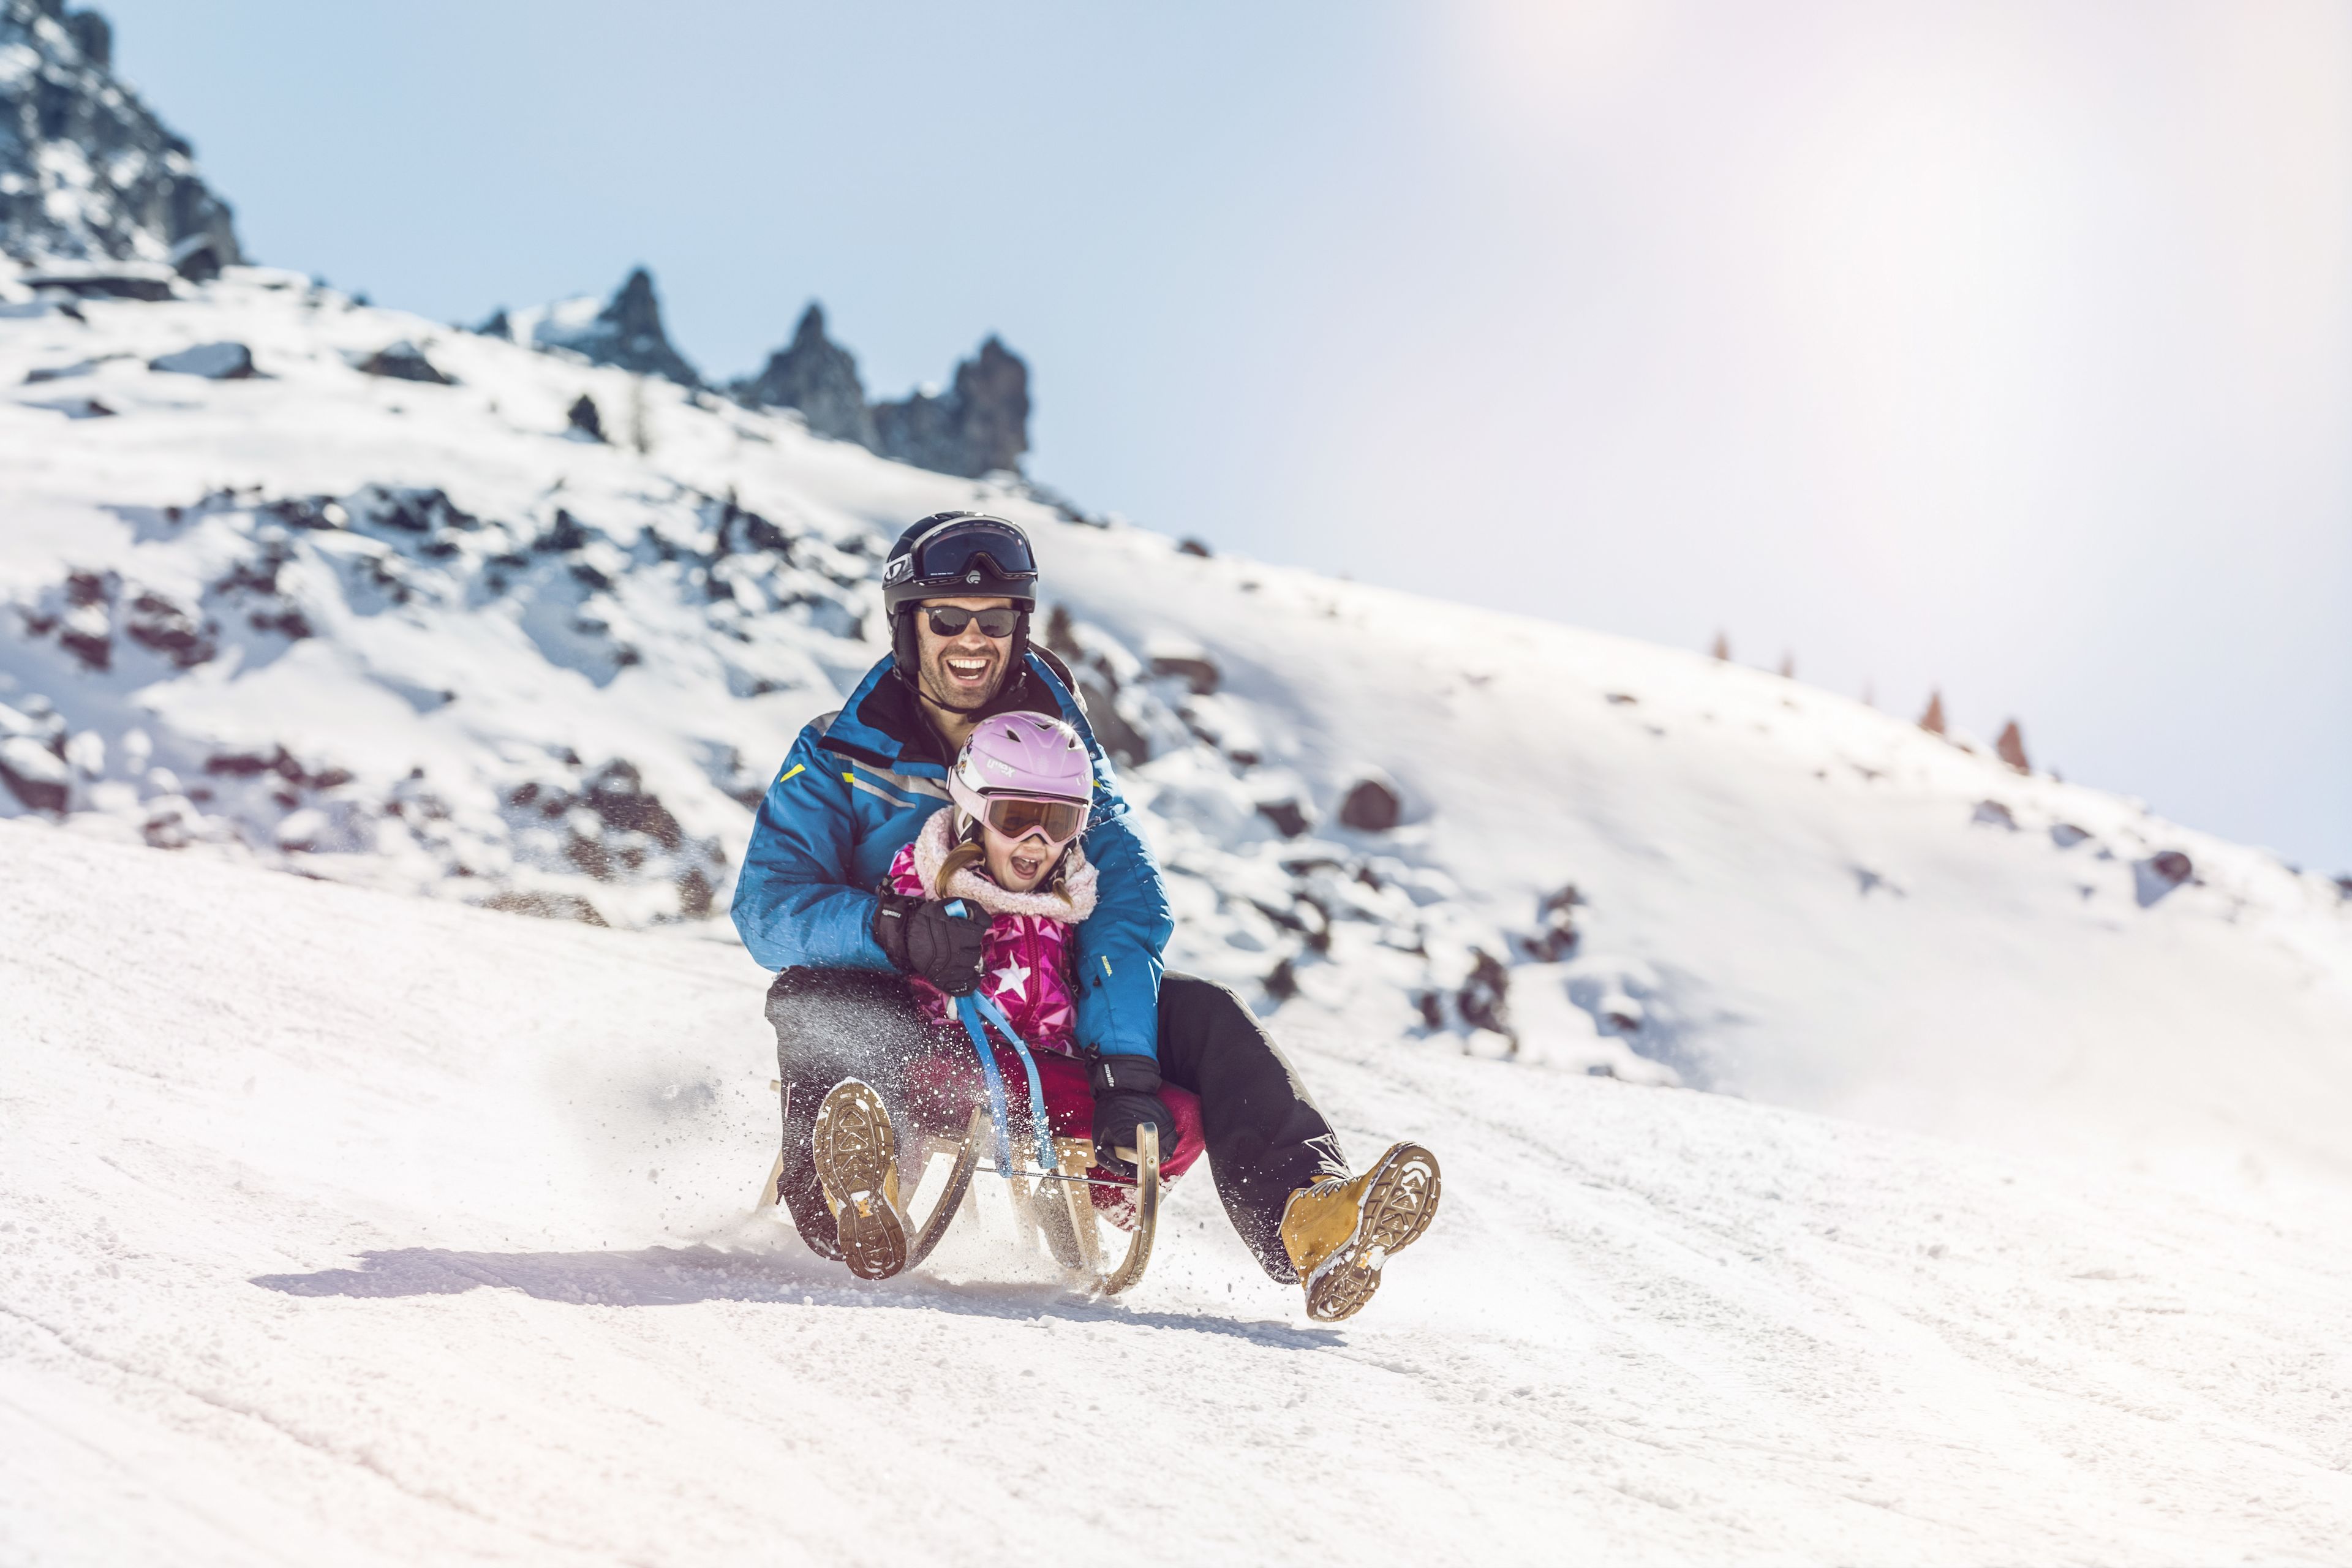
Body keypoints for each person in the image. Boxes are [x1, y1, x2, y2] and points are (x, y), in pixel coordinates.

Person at [732, 510, 1439, 1321]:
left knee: (1206, 1018)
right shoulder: (839, 755)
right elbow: (768, 909)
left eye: (994, 620)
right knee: (825, 1000)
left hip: (1047, 1007)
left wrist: (1126, 1066)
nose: (973, 639)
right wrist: (891, 931)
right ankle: (861, 1192)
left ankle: (1315, 1221)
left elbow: (1125, 897)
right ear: (908, 625)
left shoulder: (1065, 755)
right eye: (948, 617)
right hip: (908, 997)